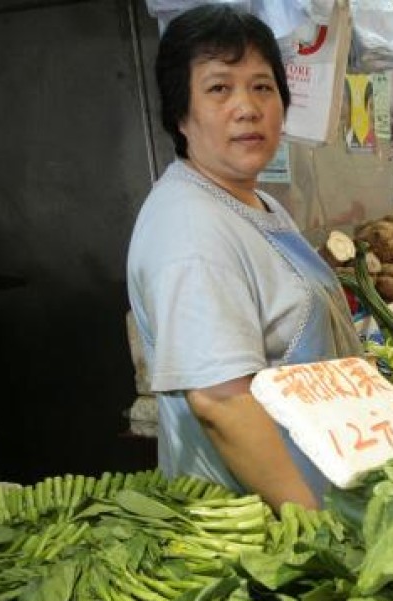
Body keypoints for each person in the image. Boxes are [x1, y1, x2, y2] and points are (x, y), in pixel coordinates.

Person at [127, 6, 362, 511]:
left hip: (318, 485)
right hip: (262, 525)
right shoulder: (189, 227)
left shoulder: (254, 200)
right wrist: (313, 528)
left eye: (261, 87)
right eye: (219, 88)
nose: (247, 107)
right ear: (180, 114)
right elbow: (221, 401)